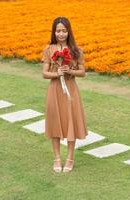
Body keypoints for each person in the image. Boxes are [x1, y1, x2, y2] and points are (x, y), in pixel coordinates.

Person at [41, 16, 88, 173]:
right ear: (54, 32)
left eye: (64, 30)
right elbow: (44, 74)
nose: (61, 34)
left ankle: (70, 158)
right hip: (54, 90)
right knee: (55, 123)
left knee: (70, 123)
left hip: (70, 91)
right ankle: (56, 158)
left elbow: (83, 72)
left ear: (69, 32)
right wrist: (57, 73)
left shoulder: (76, 50)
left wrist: (71, 71)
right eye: (58, 30)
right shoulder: (49, 49)